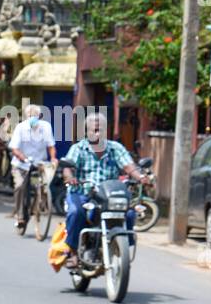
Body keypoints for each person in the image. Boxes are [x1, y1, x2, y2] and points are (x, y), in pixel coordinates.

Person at [60, 113, 148, 267]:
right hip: (83, 193)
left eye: (100, 130)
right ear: (87, 131)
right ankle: (73, 252)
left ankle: (121, 247)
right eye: (94, 130)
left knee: (129, 213)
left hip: (108, 195)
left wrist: (140, 177)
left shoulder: (115, 148)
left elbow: (128, 166)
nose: (97, 133)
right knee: (76, 212)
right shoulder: (78, 148)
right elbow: (67, 168)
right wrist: (70, 177)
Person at [10, 104, 56, 230]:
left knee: (38, 186)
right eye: (30, 115)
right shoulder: (21, 128)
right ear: (26, 116)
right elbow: (14, 148)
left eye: (35, 115)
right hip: (21, 166)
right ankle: (20, 216)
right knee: (20, 186)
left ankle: (36, 207)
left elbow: (51, 146)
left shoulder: (46, 127)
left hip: (37, 167)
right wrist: (24, 158)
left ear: (39, 116)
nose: (33, 117)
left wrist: (53, 158)